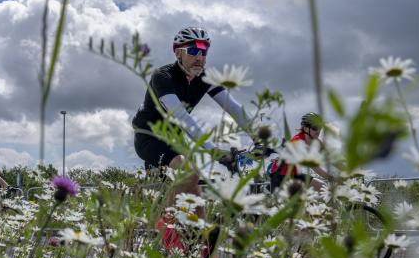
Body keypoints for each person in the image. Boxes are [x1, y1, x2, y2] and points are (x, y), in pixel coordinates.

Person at [131, 26, 251, 170]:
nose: (199, 57)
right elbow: (181, 117)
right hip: (149, 137)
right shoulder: (162, 76)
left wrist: (262, 138)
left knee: (194, 184)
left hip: (175, 139)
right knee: (188, 170)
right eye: (193, 51)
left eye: (204, 52)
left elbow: (234, 107)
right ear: (177, 53)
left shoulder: (206, 78)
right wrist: (214, 151)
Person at [269, 112, 331, 191]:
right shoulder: (299, 142)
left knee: (325, 188)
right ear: (305, 129)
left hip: (294, 174)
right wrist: (332, 178)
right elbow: (315, 168)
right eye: (315, 127)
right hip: (280, 176)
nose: (318, 131)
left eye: (320, 127)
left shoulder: (316, 141)